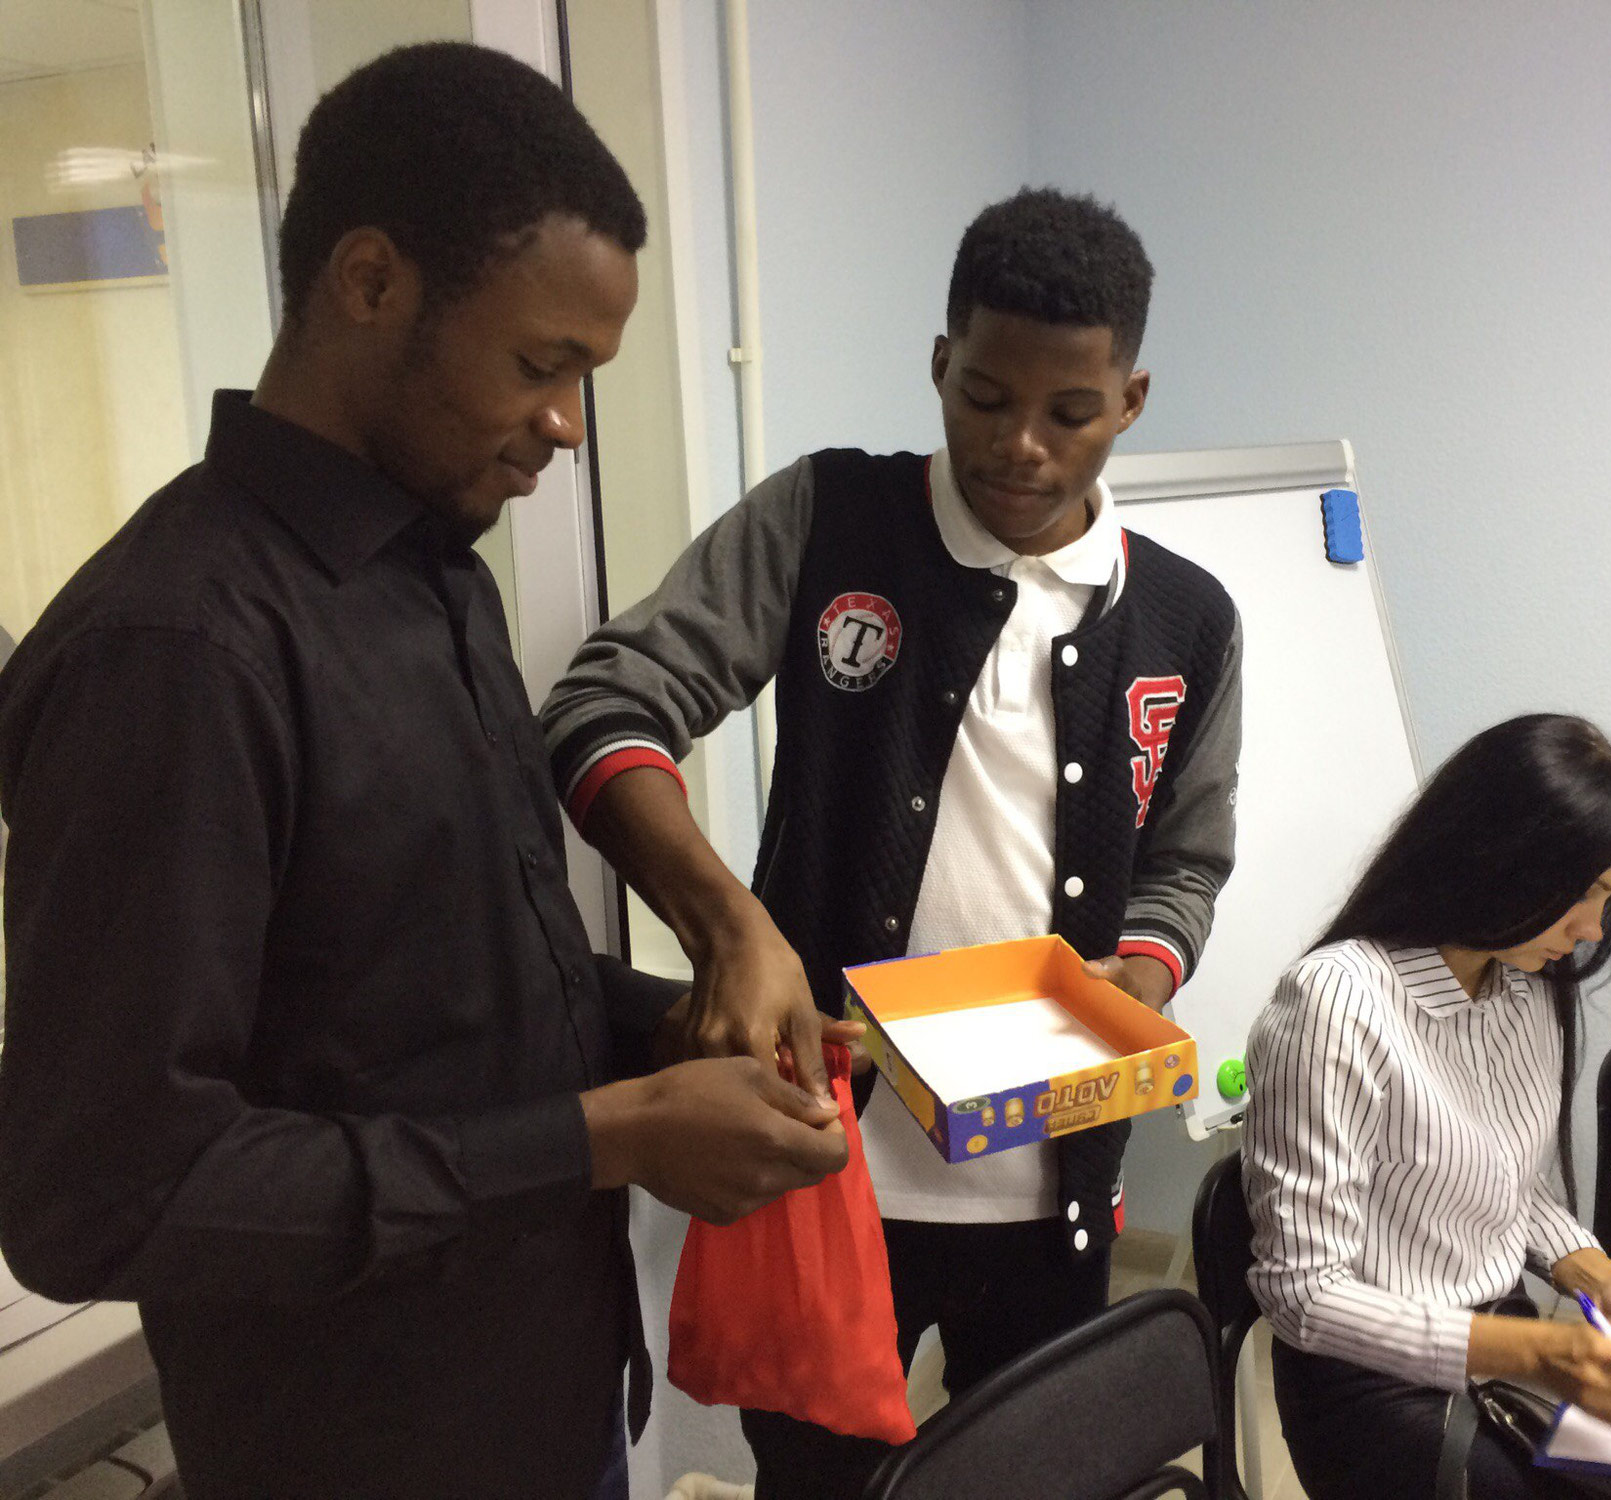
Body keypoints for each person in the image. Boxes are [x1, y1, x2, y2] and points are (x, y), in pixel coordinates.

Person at [0, 43, 846, 1500]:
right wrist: (601, 1140)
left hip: (551, 1397)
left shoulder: (438, 580)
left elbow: (440, 998)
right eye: (539, 366)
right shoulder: (178, 652)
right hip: (358, 1447)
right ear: (371, 282)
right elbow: (99, 1196)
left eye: (585, 378)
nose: (567, 425)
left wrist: (678, 1031)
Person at [541, 186, 1243, 1498]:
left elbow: (1187, 860)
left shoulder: (1187, 620)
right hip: (825, 1167)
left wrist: (1137, 979)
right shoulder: (830, 523)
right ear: (938, 363)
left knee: (1036, 1481)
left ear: (1130, 402)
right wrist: (730, 930)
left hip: (1051, 1189)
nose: (1019, 445)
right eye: (984, 396)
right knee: (816, 1482)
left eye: (1069, 412)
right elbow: (600, 706)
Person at [1244, 714, 1611, 1500]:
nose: (1592, 929)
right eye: (1584, 893)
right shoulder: (1337, 1000)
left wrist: (1606, 1283)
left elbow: (1508, 1185)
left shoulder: (1524, 985)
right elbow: (1303, 1295)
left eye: (1610, 898)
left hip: (1498, 1344)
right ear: (1497, 854)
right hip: (1369, 1383)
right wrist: (1537, 1353)